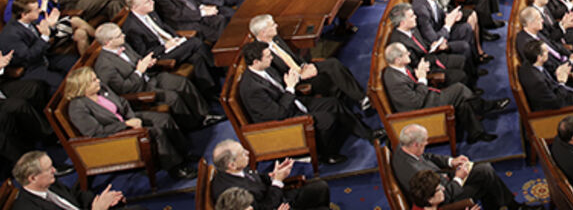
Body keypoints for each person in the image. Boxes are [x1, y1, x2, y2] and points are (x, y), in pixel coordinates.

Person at [237, 40, 383, 166]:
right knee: (327, 118)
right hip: (282, 121)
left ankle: (367, 133)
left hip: (291, 103)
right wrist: (290, 88)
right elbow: (278, 114)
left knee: (333, 103)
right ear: (256, 62)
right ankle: (326, 154)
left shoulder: (265, 69)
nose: (271, 58)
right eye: (268, 56)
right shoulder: (252, 89)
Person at [64, 67, 197, 180]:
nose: (98, 81)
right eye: (93, 80)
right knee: (156, 132)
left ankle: (183, 153)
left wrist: (132, 119)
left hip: (126, 118)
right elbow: (97, 132)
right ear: (83, 86)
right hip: (113, 134)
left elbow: (122, 103)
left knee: (164, 119)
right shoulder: (77, 108)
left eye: (96, 78)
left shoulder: (101, 88)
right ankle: (175, 168)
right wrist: (127, 124)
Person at [390, 124, 527, 210]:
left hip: (441, 182)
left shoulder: (403, 148)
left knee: (485, 169)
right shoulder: (415, 173)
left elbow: (427, 157)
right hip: (445, 197)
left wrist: (451, 161)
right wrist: (458, 179)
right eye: (424, 143)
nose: (426, 144)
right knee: (486, 181)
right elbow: (443, 196)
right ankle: (513, 206)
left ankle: (510, 205)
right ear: (416, 145)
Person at [210, 138, 331, 210]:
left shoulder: (237, 168)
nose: (247, 153)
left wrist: (274, 175)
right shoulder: (234, 196)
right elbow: (264, 207)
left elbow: (257, 178)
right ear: (232, 165)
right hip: (274, 204)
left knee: (320, 187)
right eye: (242, 153)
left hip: (276, 195)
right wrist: (277, 182)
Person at [10, 150, 128, 210]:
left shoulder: (50, 183)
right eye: (48, 169)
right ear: (33, 178)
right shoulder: (27, 208)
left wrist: (103, 200)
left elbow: (76, 196)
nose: (54, 170)